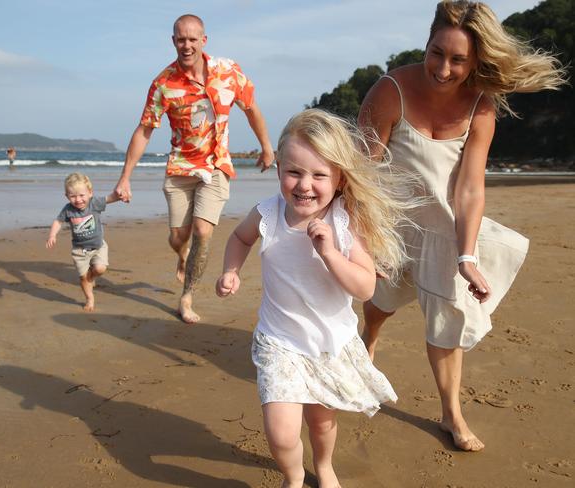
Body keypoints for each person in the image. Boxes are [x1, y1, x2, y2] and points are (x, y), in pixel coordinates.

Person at [358, 0, 567, 452]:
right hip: (389, 224)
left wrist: (467, 256)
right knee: (378, 306)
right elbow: (364, 173)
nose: (444, 68)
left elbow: (470, 188)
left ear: (476, 61)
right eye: (437, 52)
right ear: (427, 42)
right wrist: (365, 240)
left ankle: (451, 413)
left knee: (447, 325)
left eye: (458, 60)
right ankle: (367, 342)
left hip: (442, 232)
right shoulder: (389, 90)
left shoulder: (481, 107)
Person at [216, 109, 416, 487]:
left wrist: (330, 254)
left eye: (319, 175)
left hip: (328, 343)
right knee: (281, 432)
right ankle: (293, 477)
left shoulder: (343, 223)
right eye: (294, 172)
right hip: (279, 342)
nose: (304, 185)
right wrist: (231, 270)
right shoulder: (267, 213)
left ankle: (323, 467)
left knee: (321, 422)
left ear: (339, 179)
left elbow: (365, 288)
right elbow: (240, 238)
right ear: (278, 171)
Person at [114, 14, 274, 324]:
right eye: (180, 39)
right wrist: (125, 177)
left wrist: (267, 146)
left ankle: (187, 296)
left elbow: (252, 108)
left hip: (216, 166)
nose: (186, 45)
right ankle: (181, 255)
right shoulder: (163, 84)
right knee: (178, 236)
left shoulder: (228, 72)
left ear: (204, 40)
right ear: (173, 41)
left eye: (192, 39)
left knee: (203, 231)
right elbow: (144, 130)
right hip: (180, 168)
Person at [47, 173, 121, 312]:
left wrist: (120, 195)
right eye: (73, 196)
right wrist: (52, 235)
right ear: (67, 196)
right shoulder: (68, 209)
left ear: (90, 193)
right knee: (83, 278)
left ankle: (91, 277)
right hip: (79, 250)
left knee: (100, 269)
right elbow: (58, 221)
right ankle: (89, 298)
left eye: (82, 195)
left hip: (98, 246)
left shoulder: (94, 203)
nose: (78, 200)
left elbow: (110, 198)